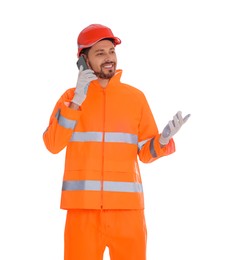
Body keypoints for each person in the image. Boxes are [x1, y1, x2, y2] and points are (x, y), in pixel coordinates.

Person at [43, 24, 190, 260]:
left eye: (111, 51)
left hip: (128, 213)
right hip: (83, 212)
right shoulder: (70, 98)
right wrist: (77, 102)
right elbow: (53, 144)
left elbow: (145, 152)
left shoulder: (135, 98)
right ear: (83, 60)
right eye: (100, 53)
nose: (109, 58)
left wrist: (161, 141)